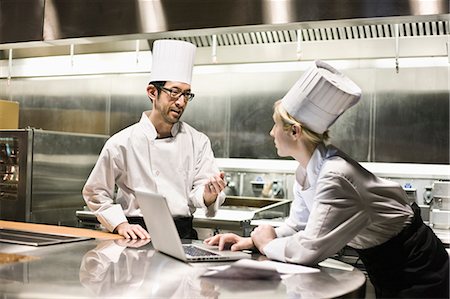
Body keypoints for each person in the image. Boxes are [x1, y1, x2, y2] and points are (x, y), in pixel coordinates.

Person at [205, 60, 449, 298]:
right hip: (386, 262)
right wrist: (252, 241)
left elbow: (309, 249)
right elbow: (299, 226)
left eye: (275, 124)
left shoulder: (334, 175)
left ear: (294, 131)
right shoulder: (305, 170)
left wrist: (267, 244)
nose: (271, 132)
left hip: (417, 263)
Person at [83, 39, 226, 240]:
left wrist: (209, 195)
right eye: (174, 92)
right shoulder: (122, 142)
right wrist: (120, 224)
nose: (181, 102)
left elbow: (201, 191)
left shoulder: (198, 141)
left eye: (187, 94)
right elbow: (95, 192)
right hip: (137, 235)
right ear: (152, 92)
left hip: (182, 234)